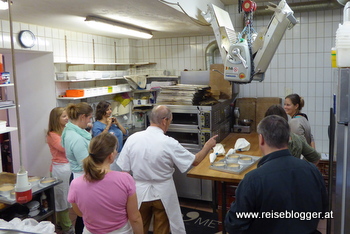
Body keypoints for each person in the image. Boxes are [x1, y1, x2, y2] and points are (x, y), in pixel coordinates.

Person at [117, 105, 217, 234]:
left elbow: (124, 171)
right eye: (170, 120)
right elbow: (196, 161)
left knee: (139, 227)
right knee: (162, 228)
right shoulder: (168, 142)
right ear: (164, 121)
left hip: (139, 193)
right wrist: (208, 146)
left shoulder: (133, 139)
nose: (170, 123)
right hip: (162, 193)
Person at [225, 115, 328, 234]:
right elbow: (323, 212)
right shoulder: (313, 171)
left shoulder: (253, 180)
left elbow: (234, 226)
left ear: (261, 139)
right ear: (289, 138)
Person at [67, 133, 143, 234]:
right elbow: (134, 218)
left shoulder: (75, 184)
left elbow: (80, 213)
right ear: (111, 156)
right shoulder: (125, 179)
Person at [61, 102, 93, 234]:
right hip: (82, 176)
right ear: (82, 117)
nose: (90, 121)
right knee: (84, 215)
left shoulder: (70, 130)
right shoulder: (76, 138)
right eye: (89, 118)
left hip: (78, 175)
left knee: (83, 214)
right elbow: (86, 163)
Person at [46, 107, 74, 234]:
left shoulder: (66, 130)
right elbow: (65, 148)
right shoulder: (52, 134)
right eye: (64, 116)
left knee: (67, 196)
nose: (67, 118)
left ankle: (61, 222)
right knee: (61, 197)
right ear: (56, 119)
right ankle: (67, 225)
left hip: (68, 167)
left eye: (67, 116)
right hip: (59, 169)